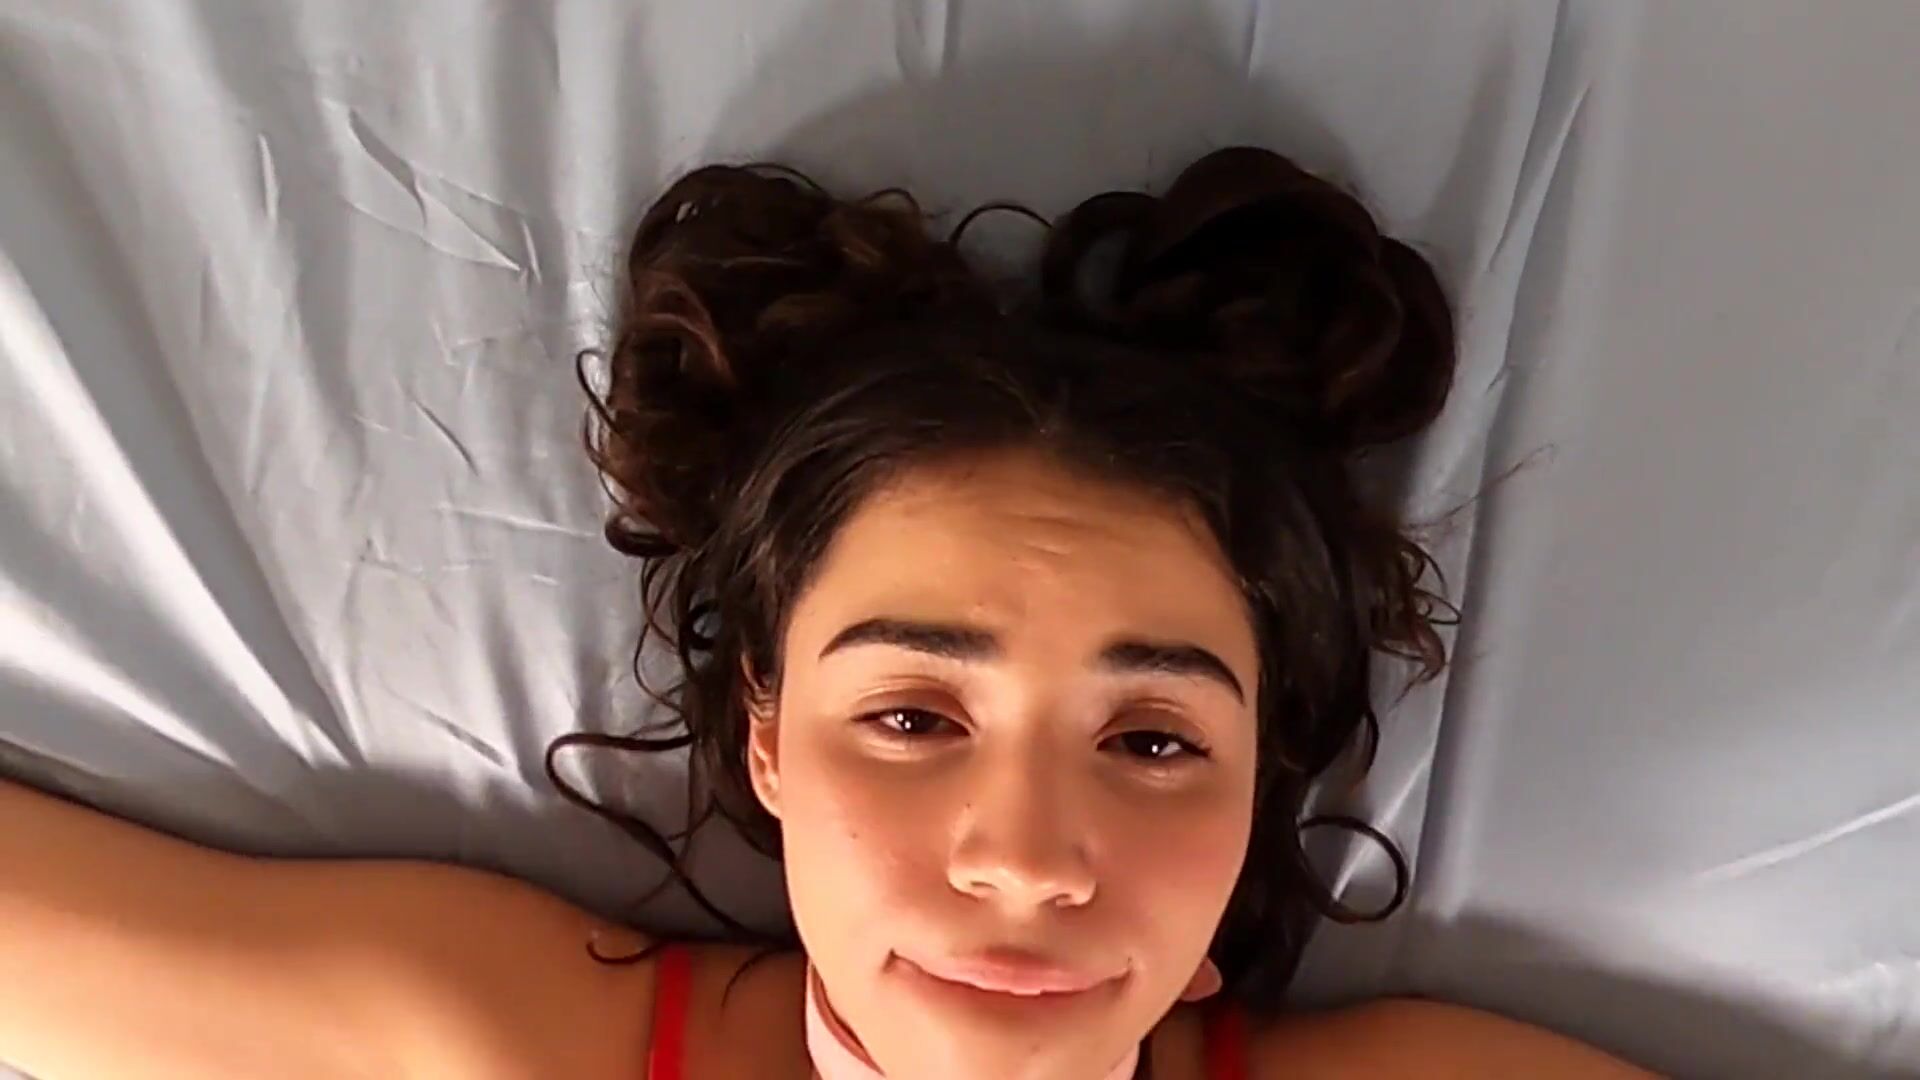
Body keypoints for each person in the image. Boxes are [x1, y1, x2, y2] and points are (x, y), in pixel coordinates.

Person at [0, 147, 1651, 1079]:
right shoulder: (478, 1048)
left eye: (1155, 739)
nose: (1026, 859)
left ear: (1258, 778)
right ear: (768, 739)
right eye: (914, 715)